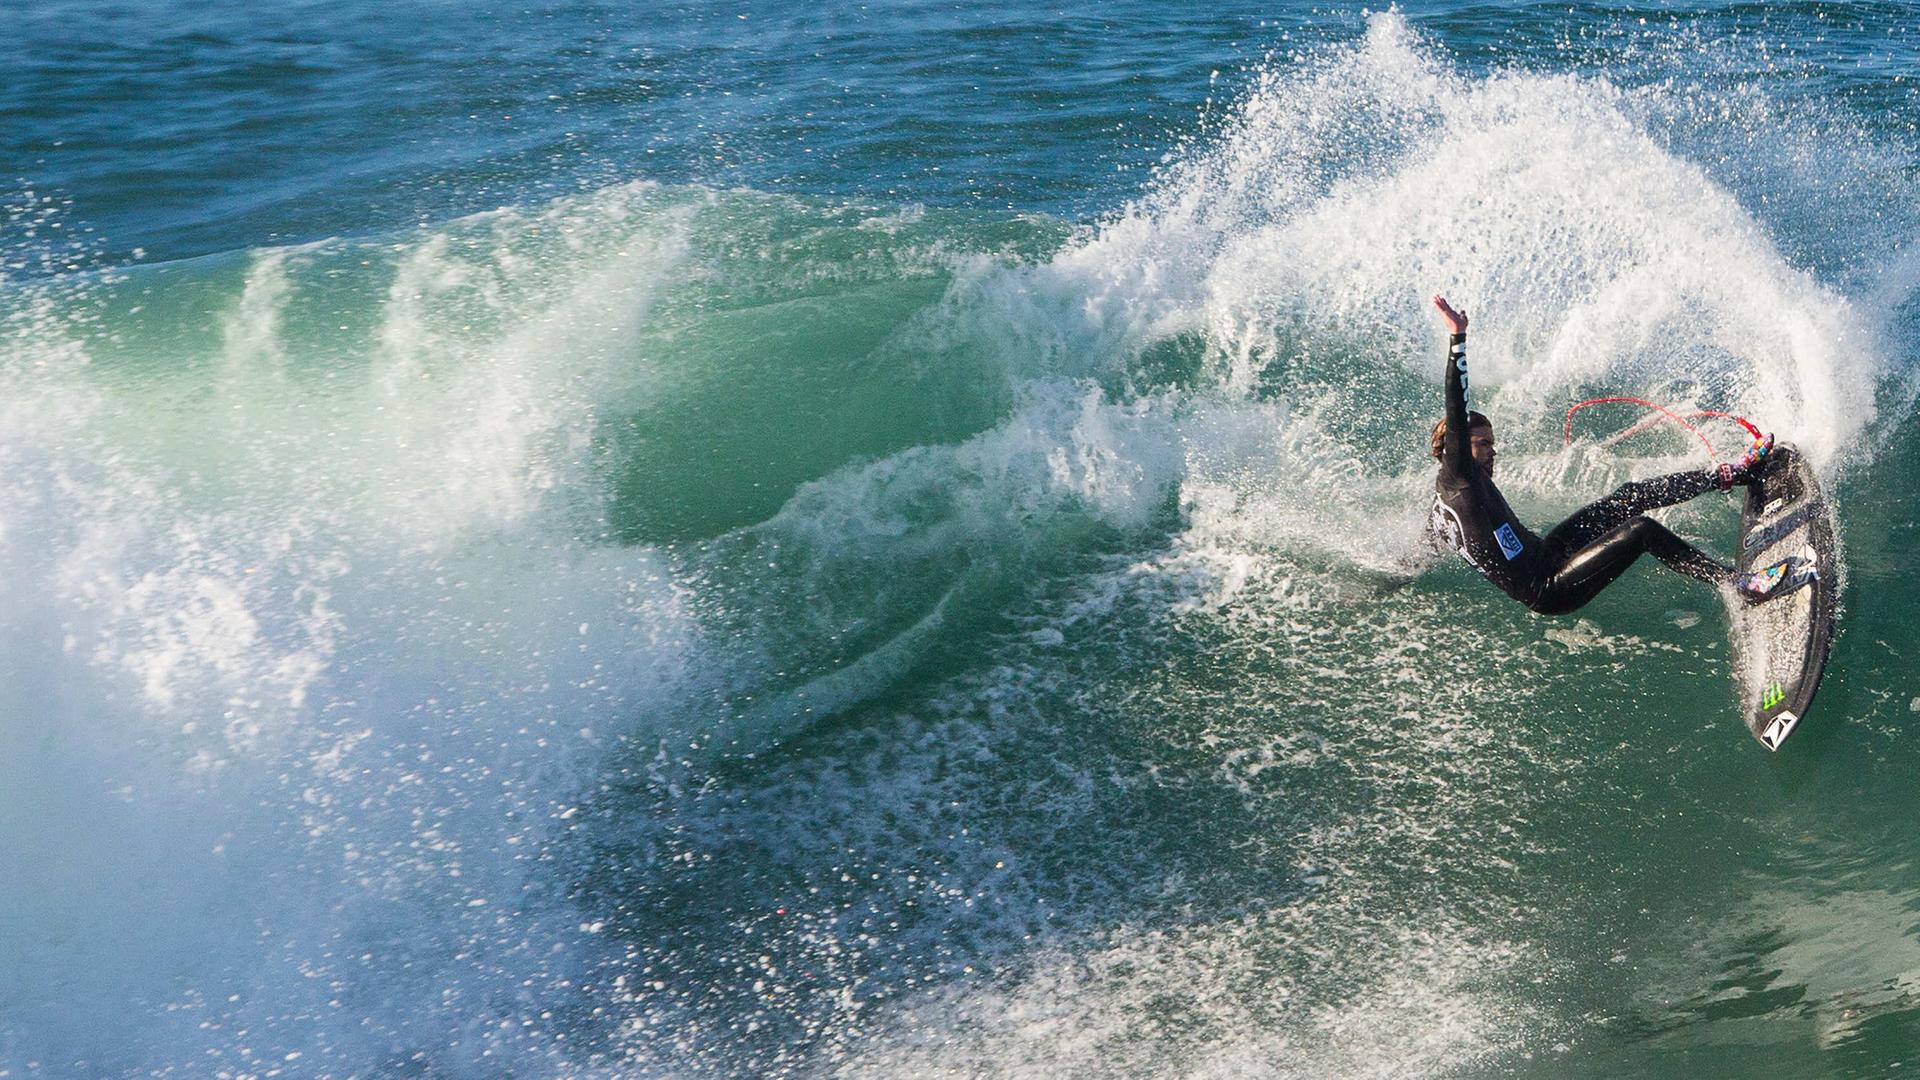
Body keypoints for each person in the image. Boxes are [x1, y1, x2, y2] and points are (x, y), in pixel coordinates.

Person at [1426, 295, 1774, 615]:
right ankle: (1737, 584)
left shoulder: (1448, 499)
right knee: (1642, 531)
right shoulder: (1459, 476)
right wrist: (1458, 337)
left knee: (1630, 497)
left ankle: (1734, 473)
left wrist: (1395, 574)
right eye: (1483, 443)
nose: (1493, 450)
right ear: (1455, 448)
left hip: (1550, 553)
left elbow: (1430, 540)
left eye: (1492, 442)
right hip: (1550, 587)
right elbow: (1457, 403)